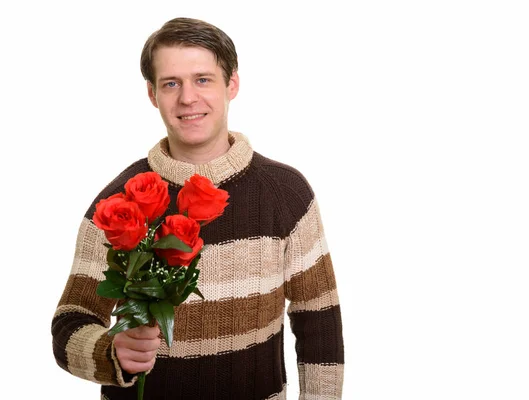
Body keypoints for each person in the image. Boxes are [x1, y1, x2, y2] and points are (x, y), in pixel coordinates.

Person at [51, 17, 344, 400]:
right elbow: (71, 322)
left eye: (202, 79)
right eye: (171, 83)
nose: (187, 98)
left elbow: (318, 320)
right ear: (153, 94)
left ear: (232, 84)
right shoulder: (118, 203)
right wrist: (111, 353)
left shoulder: (287, 193)